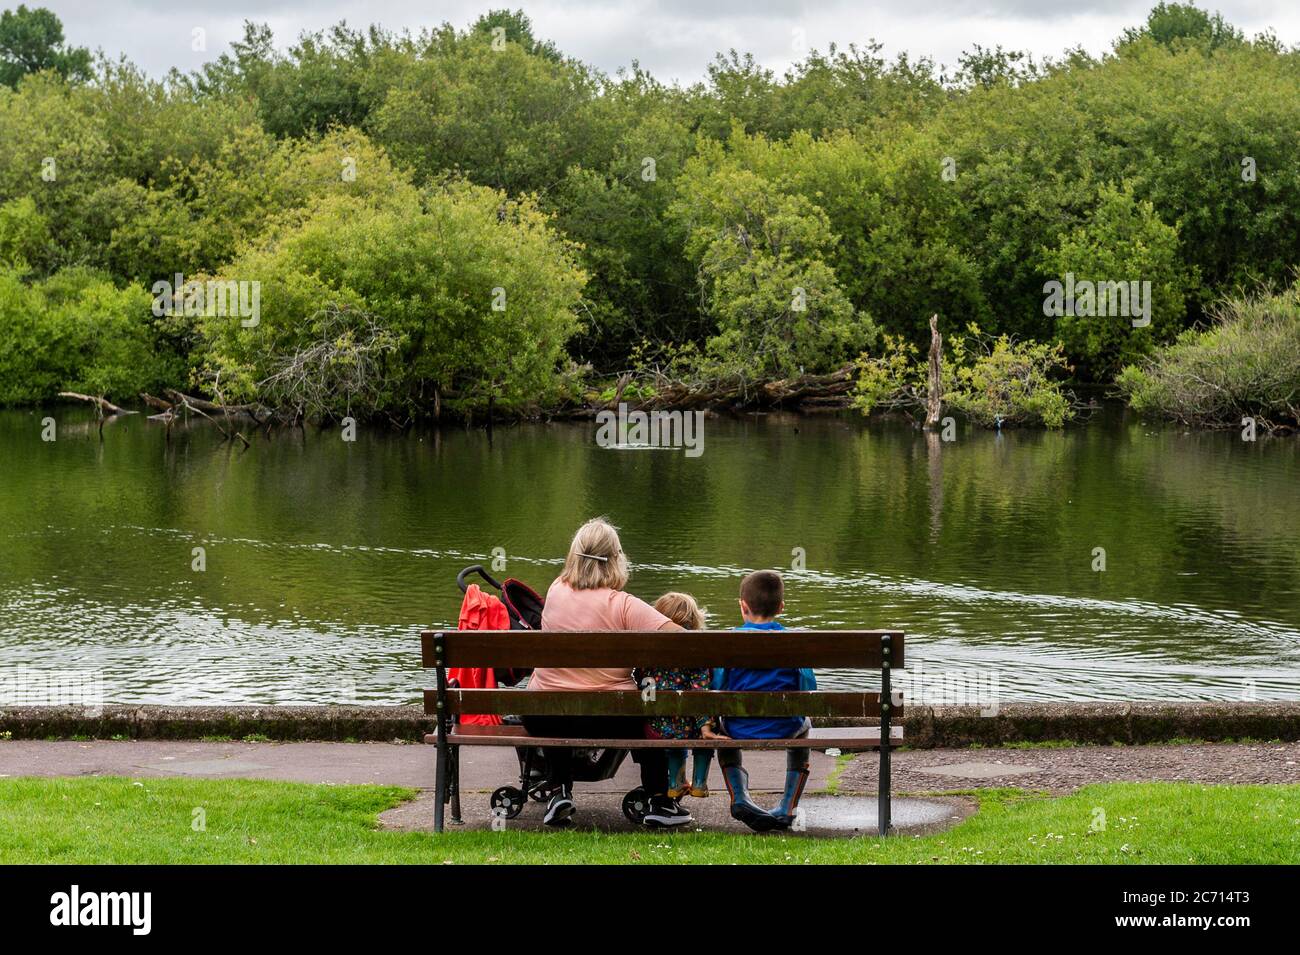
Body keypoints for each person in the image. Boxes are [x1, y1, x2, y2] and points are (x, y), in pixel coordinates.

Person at [525, 518, 692, 829]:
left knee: (555, 697)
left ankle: (560, 789)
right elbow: (687, 641)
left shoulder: (555, 591)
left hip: (543, 715)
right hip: (612, 717)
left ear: (574, 556)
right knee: (649, 712)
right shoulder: (624, 604)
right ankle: (658, 800)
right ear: (616, 559)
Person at [703, 569, 814, 833]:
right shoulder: (794, 641)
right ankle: (788, 806)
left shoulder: (728, 640)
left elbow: (717, 687)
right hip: (785, 726)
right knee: (805, 725)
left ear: (743, 606)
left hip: (738, 727)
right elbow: (808, 688)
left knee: (721, 729)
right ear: (781, 607)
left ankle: (739, 797)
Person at [642, 592, 714, 799]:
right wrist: (705, 725)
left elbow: (646, 687)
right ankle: (699, 783)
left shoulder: (650, 652)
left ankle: (676, 783)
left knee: (675, 738)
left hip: (659, 723)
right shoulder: (695, 651)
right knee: (703, 738)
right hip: (691, 723)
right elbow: (699, 691)